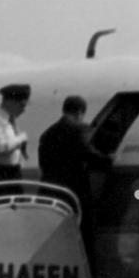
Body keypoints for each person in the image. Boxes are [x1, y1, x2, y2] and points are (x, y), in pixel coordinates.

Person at [38, 94, 109, 240]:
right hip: (74, 192)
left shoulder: (47, 133)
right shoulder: (80, 129)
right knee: (81, 233)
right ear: (80, 112)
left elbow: (43, 163)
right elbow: (87, 153)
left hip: (50, 191)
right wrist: (108, 159)